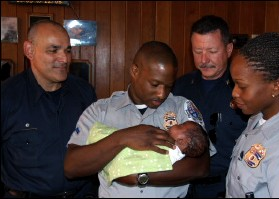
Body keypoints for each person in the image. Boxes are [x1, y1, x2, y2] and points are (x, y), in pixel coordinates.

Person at [64, 40, 216, 198]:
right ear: (135, 71)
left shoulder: (182, 107)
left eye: (169, 86)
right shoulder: (100, 111)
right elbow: (72, 167)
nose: (162, 94)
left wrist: (141, 177)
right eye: (155, 84)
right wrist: (122, 138)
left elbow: (201, 166)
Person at [1, 20, 98, 198]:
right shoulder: (6, 96)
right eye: (53, 50)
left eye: (67, 50)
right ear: (30, 51)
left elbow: (97, 149)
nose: (64, 59)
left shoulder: (84, 93)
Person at [172, 15, 248, 198]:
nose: (203, 59)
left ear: (229, 49)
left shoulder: (244, 91)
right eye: (197, 51)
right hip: (181, 186)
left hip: (225, 188)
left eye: (212, 51)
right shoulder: (179, 87)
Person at [226, 32, 279, 198]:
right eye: (234, 83)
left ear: (277, 86)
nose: (234, 92)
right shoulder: (258, 117)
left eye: (242, 86)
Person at [86, 121, 209, 184]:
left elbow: (152, 159)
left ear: (181, 141)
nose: (176, 123)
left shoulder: (171, 152)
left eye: (181, 125)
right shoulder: (176, 150)